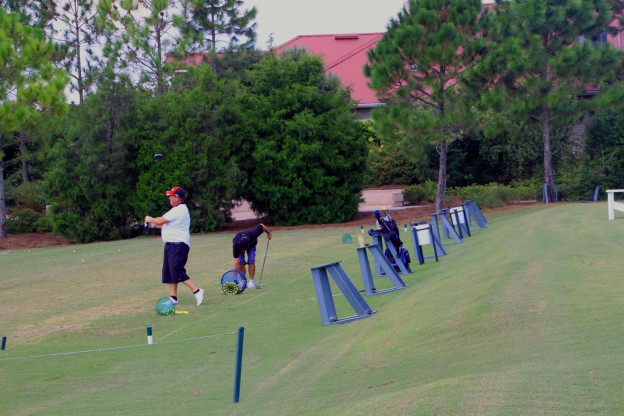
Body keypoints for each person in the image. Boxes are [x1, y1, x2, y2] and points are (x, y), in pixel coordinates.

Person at [145, 186, 204, 306]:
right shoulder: (176, 210)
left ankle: (197, 291)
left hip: (178, 245)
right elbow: (165, 225)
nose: (169, 199)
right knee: (169, 271)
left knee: (176, 270)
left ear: (177, 198)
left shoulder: (179, 210)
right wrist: (151, 225)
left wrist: (149, 218)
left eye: (171, 196)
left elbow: (160, 220)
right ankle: (173, 297)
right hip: (170, 245)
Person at [232, 223, 272, 288]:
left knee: (251, 260)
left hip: (252, 244)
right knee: (240, 262)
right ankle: (243, 281)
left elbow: (261, 225)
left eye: (244, 249)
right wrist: (234, 278)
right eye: (242, 249)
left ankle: (251, 282)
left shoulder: (253, 234)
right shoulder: (236, 244)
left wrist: (268, 233)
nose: (243, 251)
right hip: (239, 241)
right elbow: (235, 263)